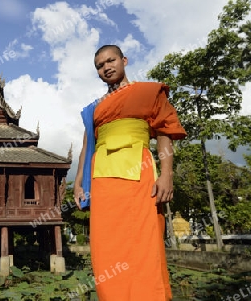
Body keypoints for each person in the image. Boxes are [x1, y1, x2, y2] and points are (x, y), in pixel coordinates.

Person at [74, 45, 187, 301]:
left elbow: (164, 134)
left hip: (139, 174)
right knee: (106, 248)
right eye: (100, 66)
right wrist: (79, 182)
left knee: (144, 244)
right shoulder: (95, 109)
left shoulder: (148, 92)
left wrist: (167, 174)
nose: (106, 68)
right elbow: (86, 147)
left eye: (110, 61)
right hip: (102, 180)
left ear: (124, 60)